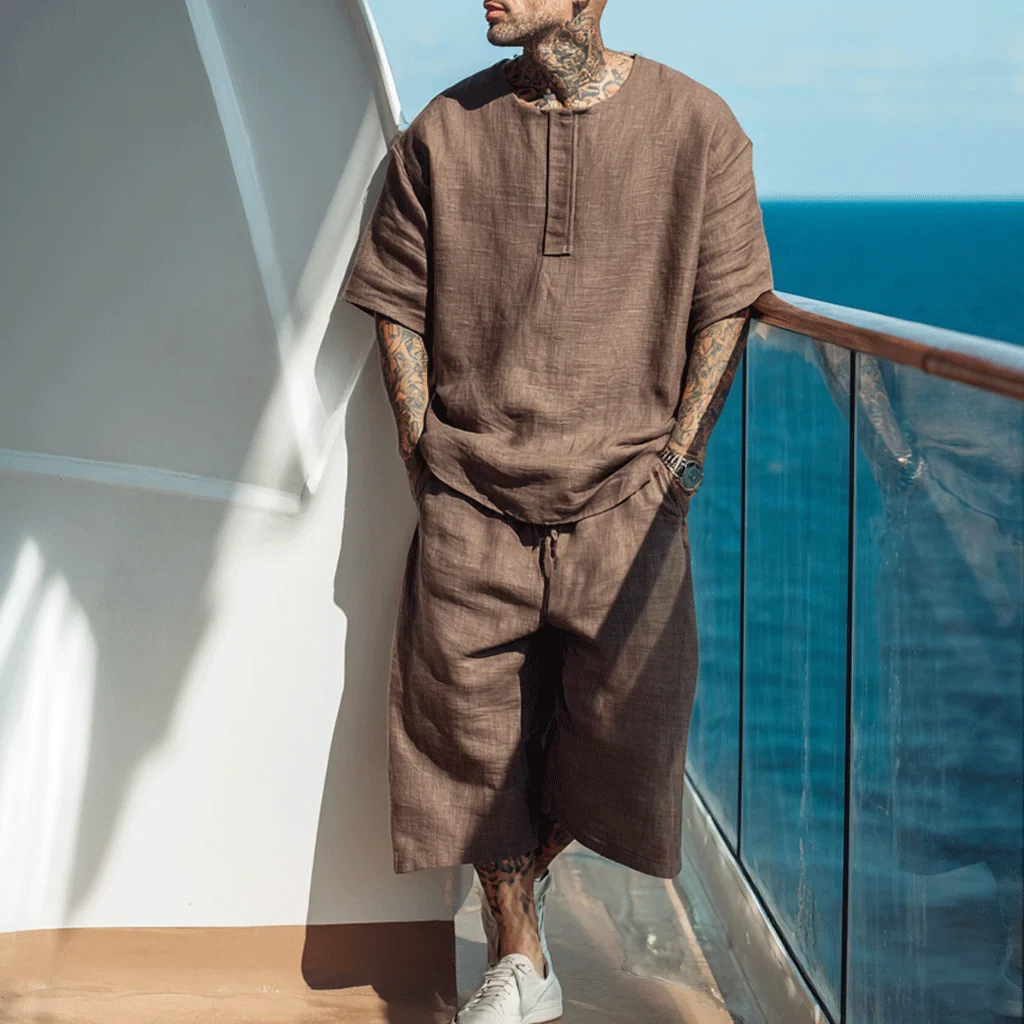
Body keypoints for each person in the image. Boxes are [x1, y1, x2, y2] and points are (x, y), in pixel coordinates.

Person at [341, 1, 773, 1020]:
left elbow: (726, 305)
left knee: (627, 731)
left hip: (627, 498)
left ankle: (527, 900)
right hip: (472, 492)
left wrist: (675, 467)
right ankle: (521, 953)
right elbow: (396, 303)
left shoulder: (697, 125)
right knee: (461, 731)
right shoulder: (443, 131)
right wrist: (423, 452)